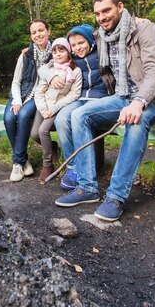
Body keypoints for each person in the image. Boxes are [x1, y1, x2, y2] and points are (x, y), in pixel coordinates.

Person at [54, 0, 155, 222]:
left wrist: (138, 102)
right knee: (79, 115)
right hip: (121, 96)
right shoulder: (101, 35)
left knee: (136, 122)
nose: (102, 17)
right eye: (97, 13)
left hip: (150, 99)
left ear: (120, 7)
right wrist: (39, 57)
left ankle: (116, 197)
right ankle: (87, 187)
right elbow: (75, 49)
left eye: (106, 10)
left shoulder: (146, 29)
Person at [39, 24, 112, 190]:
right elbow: (44, 67)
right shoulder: (71, 60)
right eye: (74, 45)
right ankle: (72, 166)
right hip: (79, 98)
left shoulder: (102, 52)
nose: (78, 48)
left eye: (81, 43)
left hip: (100, 98)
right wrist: (50, 76)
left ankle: (85, 167)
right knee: (62, 119)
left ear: (90, 41)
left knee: (77, 116)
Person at [4, 19, 52, 182]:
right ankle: (23, 160)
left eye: (41, 30)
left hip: (38, 96)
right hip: (20, 94)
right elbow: (16, 82)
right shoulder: (25, 55)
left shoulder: (57, 52)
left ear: (48, 31)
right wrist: (17, 100)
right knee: (9, 117)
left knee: (24, 115)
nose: (38, 34)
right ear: (31, 36)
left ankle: (17, 163)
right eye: (34, 32)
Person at [31, 37, 83, 182]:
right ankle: (52, 146)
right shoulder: (49, 70)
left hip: (58, 107)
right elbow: (39, 91)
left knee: (43, 130)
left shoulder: (75, 71)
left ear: (68, 51)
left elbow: (75, 94)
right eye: (54, 51)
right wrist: (43, 109)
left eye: (61, 50)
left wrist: (54, 109)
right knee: (35, 134)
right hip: (43, 106)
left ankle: (47, 165)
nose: (58, 54)